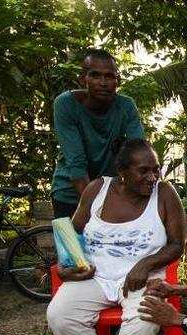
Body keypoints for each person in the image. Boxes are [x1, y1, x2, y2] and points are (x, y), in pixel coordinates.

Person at [47, 139, 186, 335]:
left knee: (146, 317)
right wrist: (67, 266)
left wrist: (145, 264)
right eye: (144, 171)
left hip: (144, 278)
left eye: (156, 169)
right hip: (96, 275)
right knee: (60, 315)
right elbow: (73, 233)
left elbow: (176, 245)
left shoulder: (165, 193)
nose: (153, 177)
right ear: (122, 171)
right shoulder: (97, 190)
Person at [50, 48, 145, 219]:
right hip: (70, 195)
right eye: (95, 75)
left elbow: (139, 153)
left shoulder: (126, 106)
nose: (103, 82)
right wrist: (99, 211)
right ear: (82, 79)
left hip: (111, 192)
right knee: (73, 246)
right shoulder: (65, 104)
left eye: (109, 76)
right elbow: (76, 165)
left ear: (118, 80)